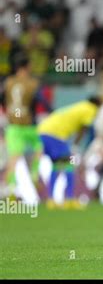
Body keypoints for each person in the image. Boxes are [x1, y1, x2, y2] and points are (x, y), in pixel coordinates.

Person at [0, 55, 50, 198]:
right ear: (27, 67)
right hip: (29, 125)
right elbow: (41, 100)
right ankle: (34, 177)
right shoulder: (32, 83)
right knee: (39, 149)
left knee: (13, 157)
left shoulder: (8, 82)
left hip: (13, 126)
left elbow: (2, 100)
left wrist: (9, 111)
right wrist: (51, 111)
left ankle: (10, 189)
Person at [38, 97, 100, 209]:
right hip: (55, 134)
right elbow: (84, 128)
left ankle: (51, 200)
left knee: (56, 165)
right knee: (68, 165)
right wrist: (76, 145)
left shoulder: (80, 106)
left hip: (43, 130)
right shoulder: (91, 109)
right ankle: (69, 200)